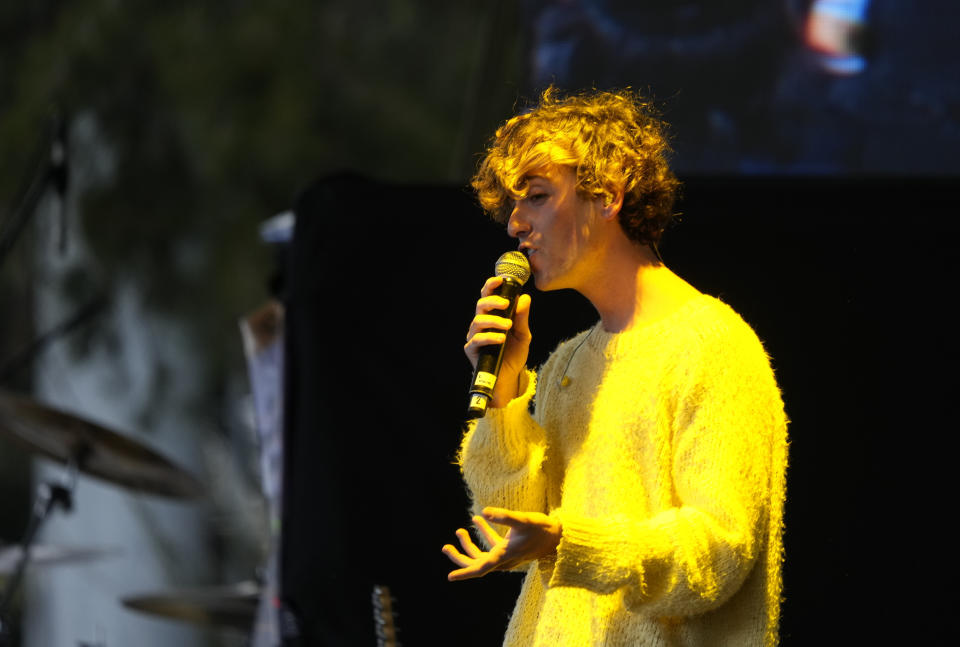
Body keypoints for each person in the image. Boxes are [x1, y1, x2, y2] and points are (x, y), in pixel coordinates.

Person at [441, 88, 789, 646]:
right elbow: (510, 523)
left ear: (606, 192)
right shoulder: (566, 364)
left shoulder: (711, 345)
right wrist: (505, 398)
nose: (514, 225)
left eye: (534, 196)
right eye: (511, 206)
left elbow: (718, 553)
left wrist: (567, 545)